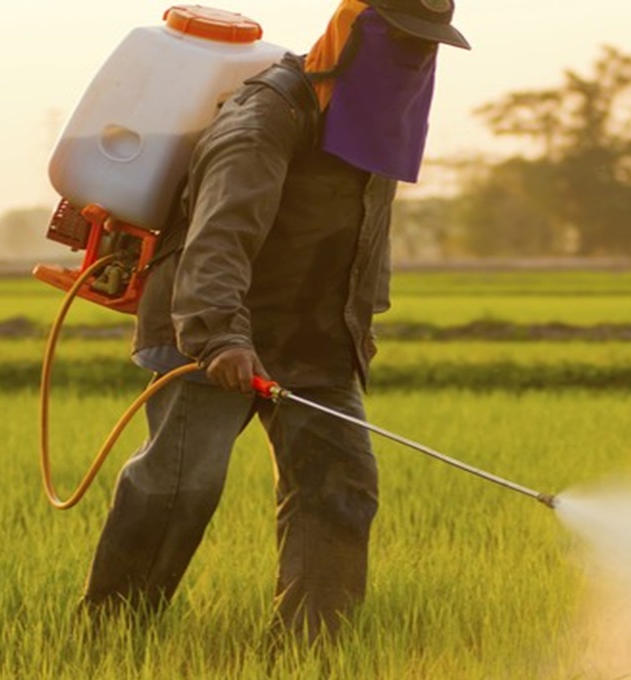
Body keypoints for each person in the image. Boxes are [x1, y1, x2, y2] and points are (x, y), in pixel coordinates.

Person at [78, 0, 470, 644]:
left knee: (340, 487)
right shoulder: (267, 117)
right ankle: (111, 636)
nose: (413, 56)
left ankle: (307, 654)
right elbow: (219, 236)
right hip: (212, 327)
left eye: (425, 44)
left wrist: (360, 323)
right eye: (400, 38)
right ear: (351, 32)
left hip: (315, 335)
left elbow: (370, 235)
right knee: (181, 487)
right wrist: (219, 334)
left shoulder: (373, 123)